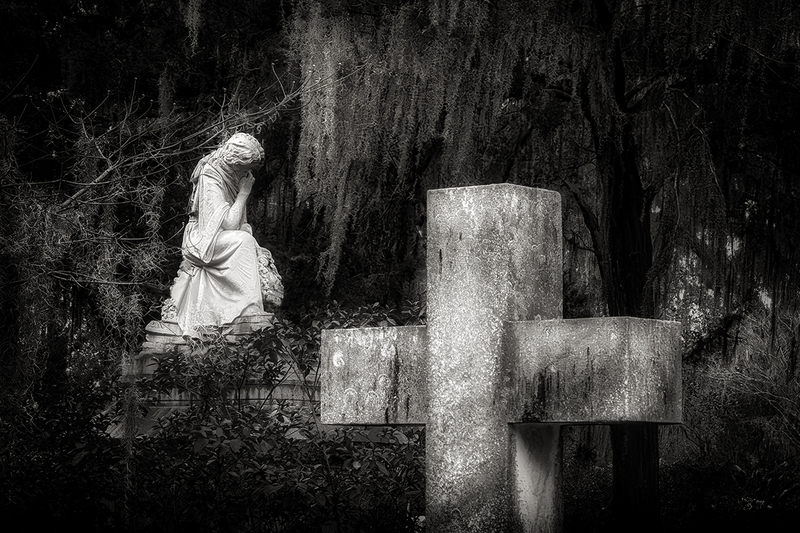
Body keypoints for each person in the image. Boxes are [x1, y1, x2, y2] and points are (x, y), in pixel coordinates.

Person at [164, 133, 273, 336]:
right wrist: (244, 193)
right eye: (245, 170)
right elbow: (229, 223)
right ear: (235, 163)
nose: (248, 175)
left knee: (248, 240)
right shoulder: (211, 174)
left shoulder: (233, 174)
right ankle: (247, 308)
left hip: (220, 236)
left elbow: (239, 223)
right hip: (202, 239)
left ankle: (245, 308)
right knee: (244, 241)